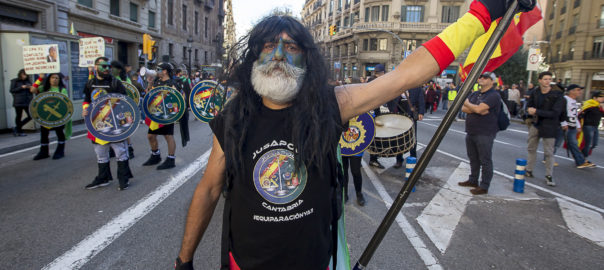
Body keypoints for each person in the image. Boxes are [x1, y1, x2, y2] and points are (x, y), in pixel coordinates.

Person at [175, 1, 537, 268]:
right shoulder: (233, 117)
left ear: (307, 59)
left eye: (292, 47)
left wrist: (480, 16)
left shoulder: (332, 104)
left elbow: (404, 76)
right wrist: (184, 260)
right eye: (270, 46)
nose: (280, 55)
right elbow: (208, 188)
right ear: (255, 56)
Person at [82, 57, 134, 190]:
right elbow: (87, 100)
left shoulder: (115, 83)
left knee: (120, 152)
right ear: (96, 67)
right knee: (101, 153)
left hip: (114, 123)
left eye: (108, 67)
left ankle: (124, 179)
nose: (106, 69)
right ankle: (103, 178)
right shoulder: (90, 83)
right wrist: (85, 110)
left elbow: (125, 102)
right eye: (103, 66)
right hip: (97, 123)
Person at [457, 72, 501, 195]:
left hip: (485, 132)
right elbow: (464, 109)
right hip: (471, 130)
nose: (481, 78)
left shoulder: (493, 95)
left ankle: (484, 185)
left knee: (485, 159)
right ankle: (473, 180)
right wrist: (475, 108)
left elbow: (477, 109)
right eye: (480, 76)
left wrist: (470, 105)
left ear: (492, 81)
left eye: (485, 77)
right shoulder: (476, 94)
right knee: (473, 158)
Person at [525, 72, 565, 186]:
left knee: (549, 152)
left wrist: (536, 111)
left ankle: (549, 175)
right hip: (536, 123)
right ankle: (529, 170)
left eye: (549, 79)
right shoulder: (536, 92)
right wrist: (529, 111)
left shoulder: (557, 95)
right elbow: (530, 105)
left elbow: (555, 113)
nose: (547, 81)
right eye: (545, 79)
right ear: (540, 80)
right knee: (531, 148)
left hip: (549, 126)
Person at [141, 62, 180, 170]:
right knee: (151, 136)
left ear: (165, 71)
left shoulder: (172, 82)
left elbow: (177, 98)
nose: (156, 71)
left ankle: (171, 159)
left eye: (158, 69)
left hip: (167, 114)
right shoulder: (157, 82)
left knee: (168, 136)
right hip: (156, 113)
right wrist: (149, 83)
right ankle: (155, 155)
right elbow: (148, 93)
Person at [367, 64, 404, 168]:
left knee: (393, 136)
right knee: (376, 137)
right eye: (378, 74)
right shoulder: (372, 81)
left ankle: (397, 159)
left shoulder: (388, 82)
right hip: (377, 113)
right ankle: (373, 159)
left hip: (388, 112)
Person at [30, 73, 71, 160]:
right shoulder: (43, 89)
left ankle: (60, 151)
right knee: (44, 134)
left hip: (58, 118)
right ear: (49, 79)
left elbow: (65, 103)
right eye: (53, 77)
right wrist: (40, 79)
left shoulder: (62, 90)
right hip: (45, 118)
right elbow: (32, 90)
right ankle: (44, 152)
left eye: (57, 78)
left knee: (59, 133)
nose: (55, 79)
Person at [561, 84, 593, 168]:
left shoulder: (574, 101)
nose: (580, 92)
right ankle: (548, 158)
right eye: (578, 90)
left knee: (573, 144)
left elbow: (574, 115)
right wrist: (564, 123)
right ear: (571, 91)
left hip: (572, 126)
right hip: (565, 125)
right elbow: (562, 112)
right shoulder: (565, 100)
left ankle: (580, 161)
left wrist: (578, 125)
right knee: (556, 143)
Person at [111, 60, 135, 158]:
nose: (111, 69)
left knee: (124, 129)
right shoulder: (109, 79)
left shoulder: (125, 80)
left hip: (122, 107)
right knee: (113, 128)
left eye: (113, 68)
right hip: (111, 108)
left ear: (119, 70)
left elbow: (130, 92)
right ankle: (113, 149)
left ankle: (129, 148)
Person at [399, 86, 425, 158]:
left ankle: (413, 157)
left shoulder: (416, 87)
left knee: (412, 137)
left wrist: (421, 112)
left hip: (411, 115)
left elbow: (421, 100)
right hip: (399, 115)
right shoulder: (398, 85)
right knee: (399, 138)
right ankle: (399, 159)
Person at [580, 90, 604, 160]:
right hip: (588, 126)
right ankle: (582, 158)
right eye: (600, 97)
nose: (602, 98)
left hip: (595, 126)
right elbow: (581, 114)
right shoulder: (589, 105)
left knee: (594, 143)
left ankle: (581, 156)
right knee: (588, 143)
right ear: (595, 98)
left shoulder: (598, 106)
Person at [10, 69, 33, 136]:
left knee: (31, 116)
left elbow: (32, 90)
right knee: (19, 116)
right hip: (18, 101)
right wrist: (21, 87)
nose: (25, 76)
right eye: (23, 74)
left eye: (26, 75)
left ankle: (17, 128)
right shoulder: (15, 81)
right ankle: (19, 131)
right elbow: (12, 90)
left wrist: (30, 87)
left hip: (27, 100)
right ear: (20, 74)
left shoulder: (28, 81)